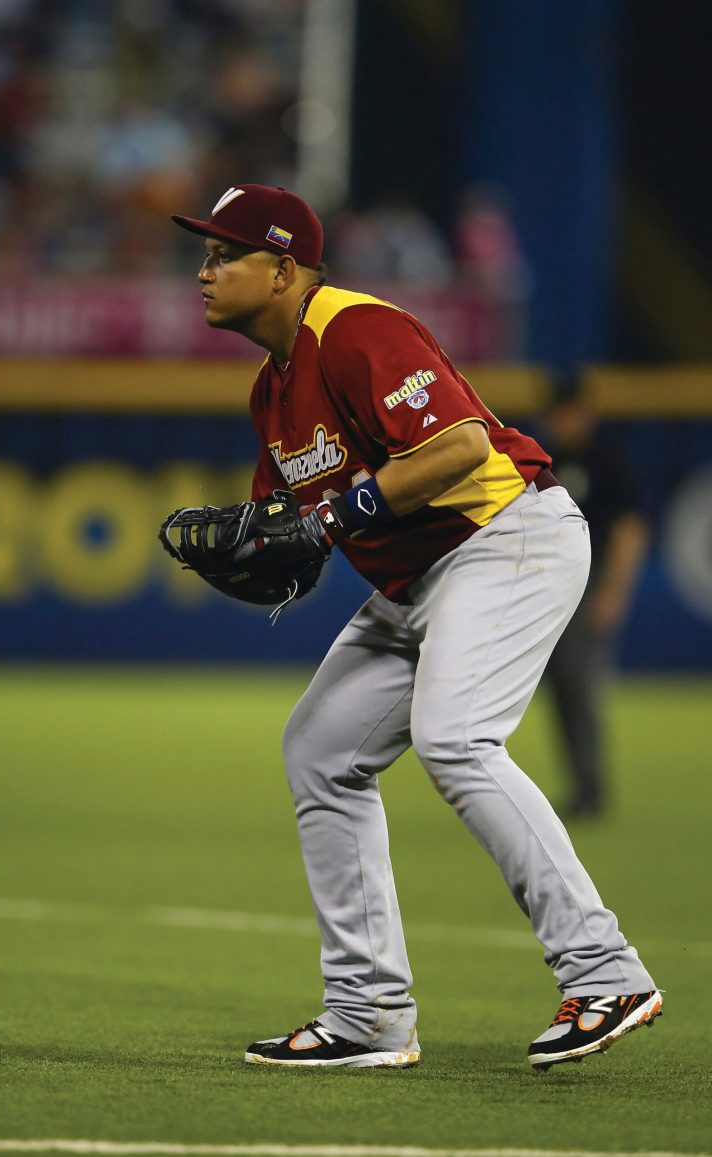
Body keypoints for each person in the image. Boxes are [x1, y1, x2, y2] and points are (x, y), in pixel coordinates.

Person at [171, 184, 663, 1070]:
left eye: (222, 254)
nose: (202, 271)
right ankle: (369, 1013)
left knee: (456, 738)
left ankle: (604, 970)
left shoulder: (356, 328)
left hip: (506, 537)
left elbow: (463, 449)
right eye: (203, 253)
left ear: (283, 268)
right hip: (416, 582)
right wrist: (258, 552)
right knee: (320, 749)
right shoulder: (270, 393)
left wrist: (326, 519)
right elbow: (291, 536)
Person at [541, 378, 651, 819]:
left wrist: (614, 590)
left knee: (579, 683)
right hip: (553, 584)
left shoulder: (606, 459)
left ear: (586, 413)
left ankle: (590, 790)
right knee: (562, 685)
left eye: (571, 412)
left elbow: (630, 528)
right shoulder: (547, 456)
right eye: (559, 413)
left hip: (593, 581)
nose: (564, 421)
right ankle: (581, 788)